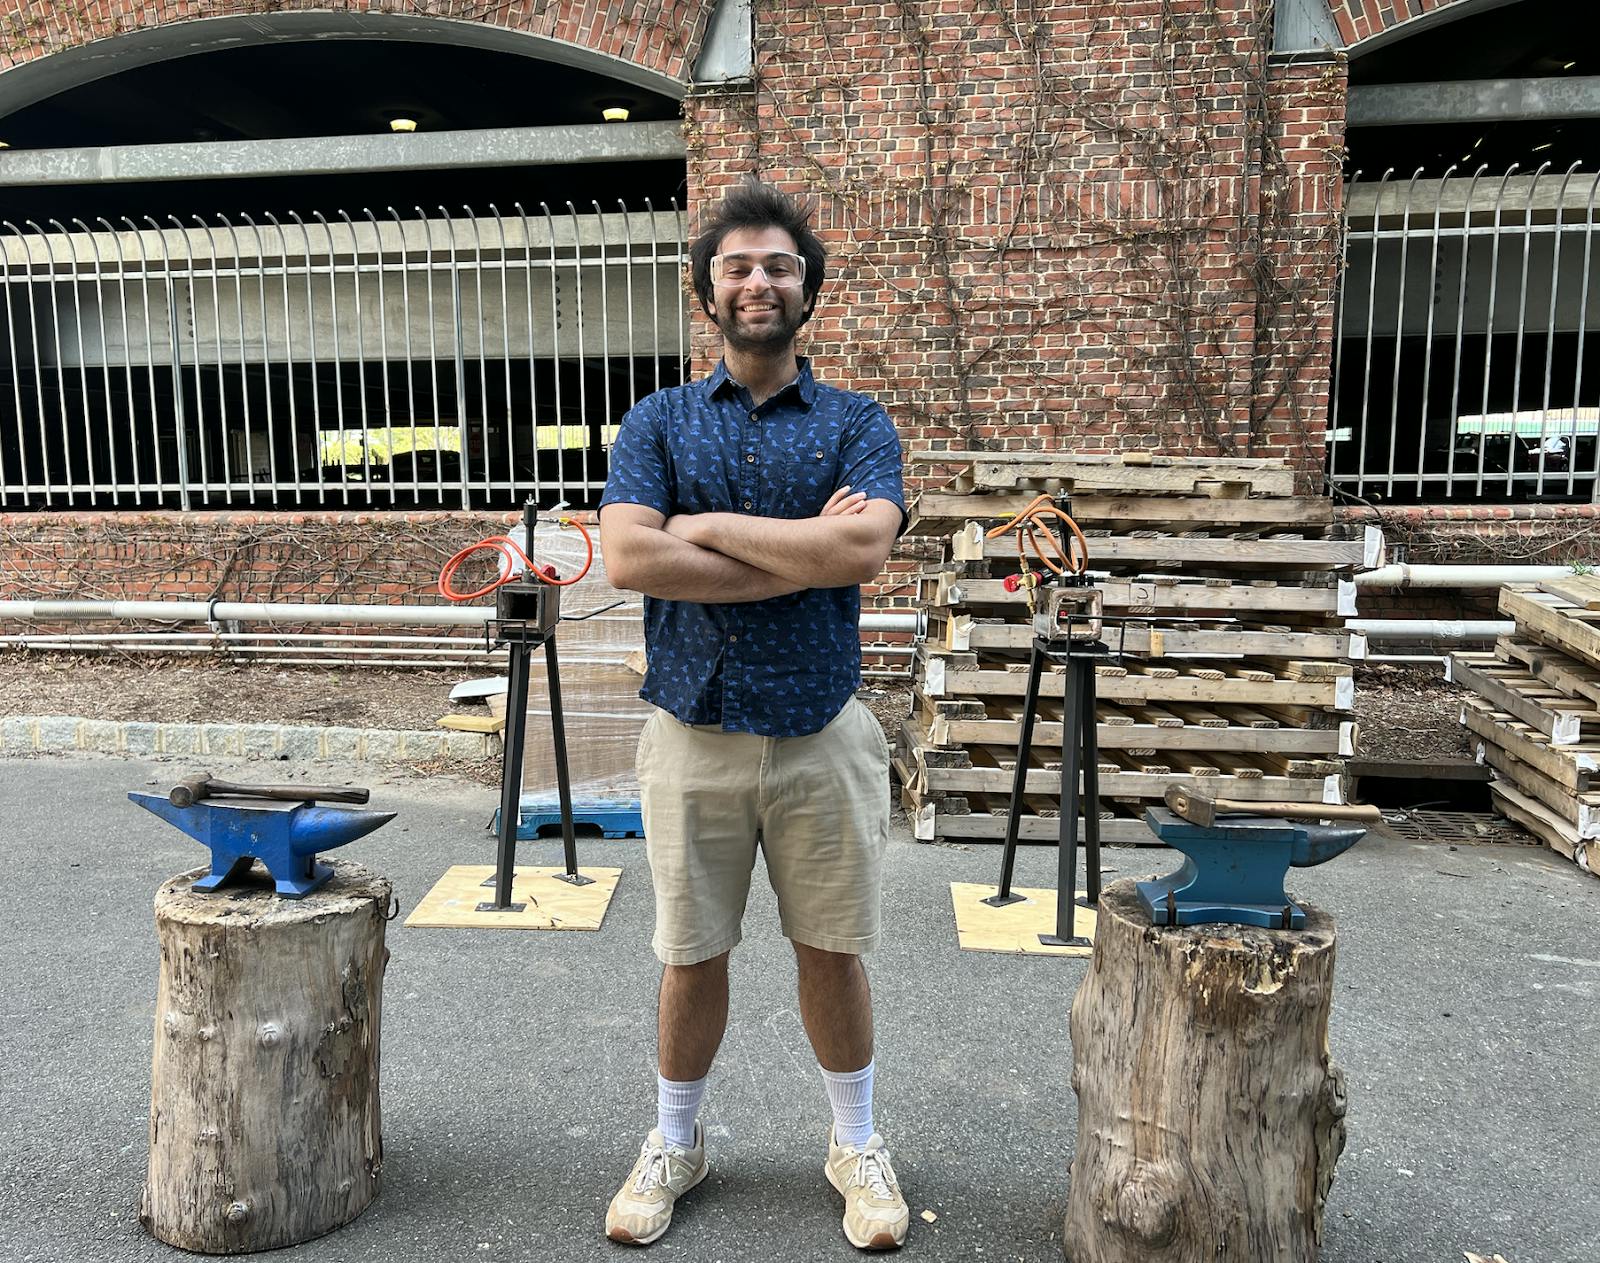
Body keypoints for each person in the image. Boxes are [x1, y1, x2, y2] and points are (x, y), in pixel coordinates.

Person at [596, 179, 909, 1251]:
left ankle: (855, 1146)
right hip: (694, 734)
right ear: (708, 293)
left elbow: (862, 550)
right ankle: (674, 1140)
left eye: (778, 266)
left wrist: (712, 526)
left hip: (823, 733)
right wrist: (797, 554)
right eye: (737, 266)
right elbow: (630, 556)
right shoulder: (656, 421)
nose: (758, 281)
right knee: (692, 954)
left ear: (807, 290)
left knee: (832, 950)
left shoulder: (858, 424)